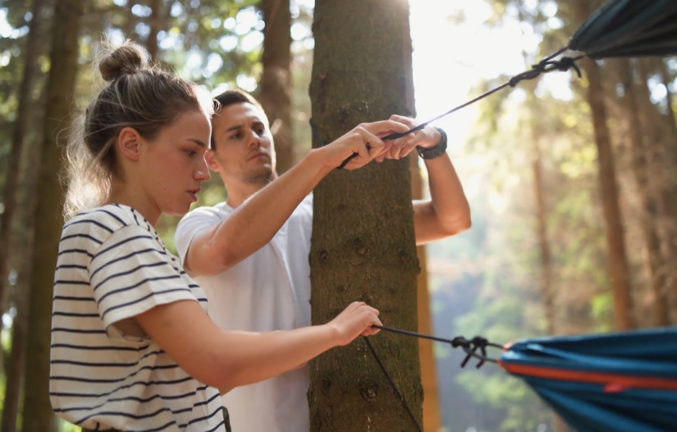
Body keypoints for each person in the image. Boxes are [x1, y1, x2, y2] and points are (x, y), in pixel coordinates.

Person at [50, 41, 398, 432]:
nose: (203, 171)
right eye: (189, 151)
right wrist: (334, 332)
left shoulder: (126, 235)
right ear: (132, 144)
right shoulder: (114, 228)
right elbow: (218, 363)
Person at [175, 89, 471, 431]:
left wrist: (433, 144)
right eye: (236, 135)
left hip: (341, 416)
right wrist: (320, 161)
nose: (253, 140)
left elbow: (451, 221)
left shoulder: (327, 213)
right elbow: (220, 252)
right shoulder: (201, 224)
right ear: (211, 160)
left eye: (259, 129)